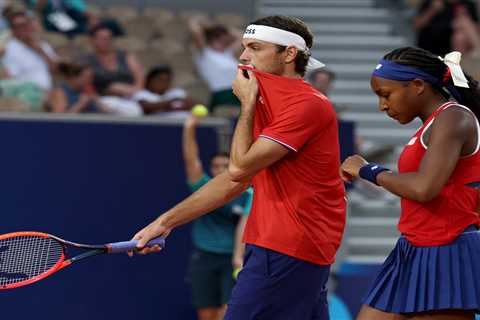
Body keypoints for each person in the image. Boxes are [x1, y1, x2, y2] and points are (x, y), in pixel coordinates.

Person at [130, 15, 346, 320]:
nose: (243, 56)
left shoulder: (306, 105)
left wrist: (246, 106)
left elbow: (238, 169)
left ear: (289, 54)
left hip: (289, 247)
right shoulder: (270, 102)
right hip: (281, 245)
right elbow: (234, 182)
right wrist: (165, 222)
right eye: (244, 47)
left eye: (255, 48)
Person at [340, 46, 480, 320]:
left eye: (386, 94)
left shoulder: (454, 118)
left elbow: (423, 188)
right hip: (413, 248)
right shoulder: (433, 124)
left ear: (417, 85)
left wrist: (368, 170)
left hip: (447, 252)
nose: (382, 106)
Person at [182, 115, 252, 320]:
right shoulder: (203, 188)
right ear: (211, 170)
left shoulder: (247, 193)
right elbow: (191, 160)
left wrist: (238, 257)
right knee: (207, 315)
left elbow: (244, 225)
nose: (221, 170)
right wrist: (189, 128)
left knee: (227, 313)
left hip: (231, 261)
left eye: (225, 165)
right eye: (216, 166)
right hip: (204, 258)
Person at [188, 17, 242, 110]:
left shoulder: (228, 53)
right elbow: (195, 30)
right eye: (219, 39)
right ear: (212, 39)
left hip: (240, 93)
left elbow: (243, 36)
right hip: (222, 93)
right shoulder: (205, 53)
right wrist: (208, 26)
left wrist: (223, 28)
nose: (224, 41)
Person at [2, 10, 58, 91]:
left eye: (26, 24)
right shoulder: (9, 49)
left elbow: (57, 70)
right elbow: (11, 78)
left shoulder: (42, 45)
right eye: (20, 26)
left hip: (49, 90)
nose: (25, 28)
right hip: (26, 93)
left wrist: (41, 51)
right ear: (13, 30)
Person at [83, 24, 144, 97]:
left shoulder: (125, 56)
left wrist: (135, 90)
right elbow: (85, 84)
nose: (107, 42)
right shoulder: (87, 61)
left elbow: (139, 76)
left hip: (133, 93)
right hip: (105, 97)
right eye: (103, 39)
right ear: (93, 40)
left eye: (109, 38)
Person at [413, 0, 478, 56]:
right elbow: (416, 26)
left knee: (459, 36)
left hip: (458, 41)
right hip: (434, 41)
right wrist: (432, 10)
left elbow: (476, 29)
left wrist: (461, 23)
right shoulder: (432, 3)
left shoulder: (467, 4)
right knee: (463, 23)